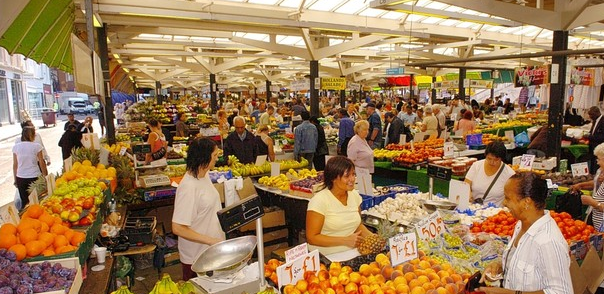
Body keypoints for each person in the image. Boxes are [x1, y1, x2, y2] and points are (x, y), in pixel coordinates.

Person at [479, 172, 572, 294]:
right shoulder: (521, 225)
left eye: (508, 198)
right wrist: (500, 266)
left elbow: (562, 292)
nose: (504, 203)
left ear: (526, 202)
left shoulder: (548, 241)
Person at [172, 138, 225, 281]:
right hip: (196, 257)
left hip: (211, 252)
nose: (217, 158)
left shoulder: (204, 175)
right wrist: (210, 240)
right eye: (214, 156)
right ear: (204, 158)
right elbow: (178, 227)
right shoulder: (188, 187)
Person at [306, 156, 375, 255]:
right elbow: (312, 238)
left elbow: (357, 225)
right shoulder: (319, 201)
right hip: (325, 257)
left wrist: (373, 238)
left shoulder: (354, 195)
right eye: (347, 176)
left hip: (350, 253)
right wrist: (345, 241)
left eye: (353, 174)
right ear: (333, 178)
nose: (352, 179)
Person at [465, 141, 516, 206]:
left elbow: (511, 198)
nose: (492, 162)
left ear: (502, 159)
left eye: (496, 160)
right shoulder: (476, 166)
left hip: (496, 213)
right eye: (489, 158)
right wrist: (469, 194)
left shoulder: (509, 174)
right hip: (474, 209)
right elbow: (466, 184)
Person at [572, 143, 604, 234]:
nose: (597, 162)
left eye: (599, 159)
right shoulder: (600, 171)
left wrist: (591, 202)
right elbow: (595, 183)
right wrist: (582, 185)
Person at [13, 127, 48, 209]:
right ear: (32, 135)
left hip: (20, 177)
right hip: (34, 177)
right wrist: (45, 175)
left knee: (25, 202)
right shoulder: (37, 146)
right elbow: (42, 163)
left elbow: (15, 165)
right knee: (37, 200)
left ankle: (26, 218)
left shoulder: (16, 147)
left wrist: (15, 180)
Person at [587, 106, 604, 174]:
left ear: (597, 113)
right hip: (592, 147)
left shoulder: (602, 121)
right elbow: (592, 132)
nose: (590, 116)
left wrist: (590, 137)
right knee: (593, 164)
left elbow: (602, 136)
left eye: (591, 115)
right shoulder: (595, 121)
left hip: (599, 148)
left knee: (597, 166)